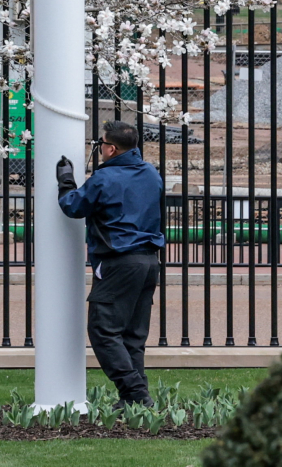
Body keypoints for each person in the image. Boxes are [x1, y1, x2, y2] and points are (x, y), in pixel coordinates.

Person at [56, 119, 165, 407]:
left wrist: (66, 181)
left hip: (118, 262)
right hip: (149, 261)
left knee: (103, 330)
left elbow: (72, 206)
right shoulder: (152, 174)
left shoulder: (105, 179)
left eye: (101, 144)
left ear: (112, 148)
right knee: (132, 334)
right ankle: (133, 400)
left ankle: (136, 394)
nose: (99, 148)